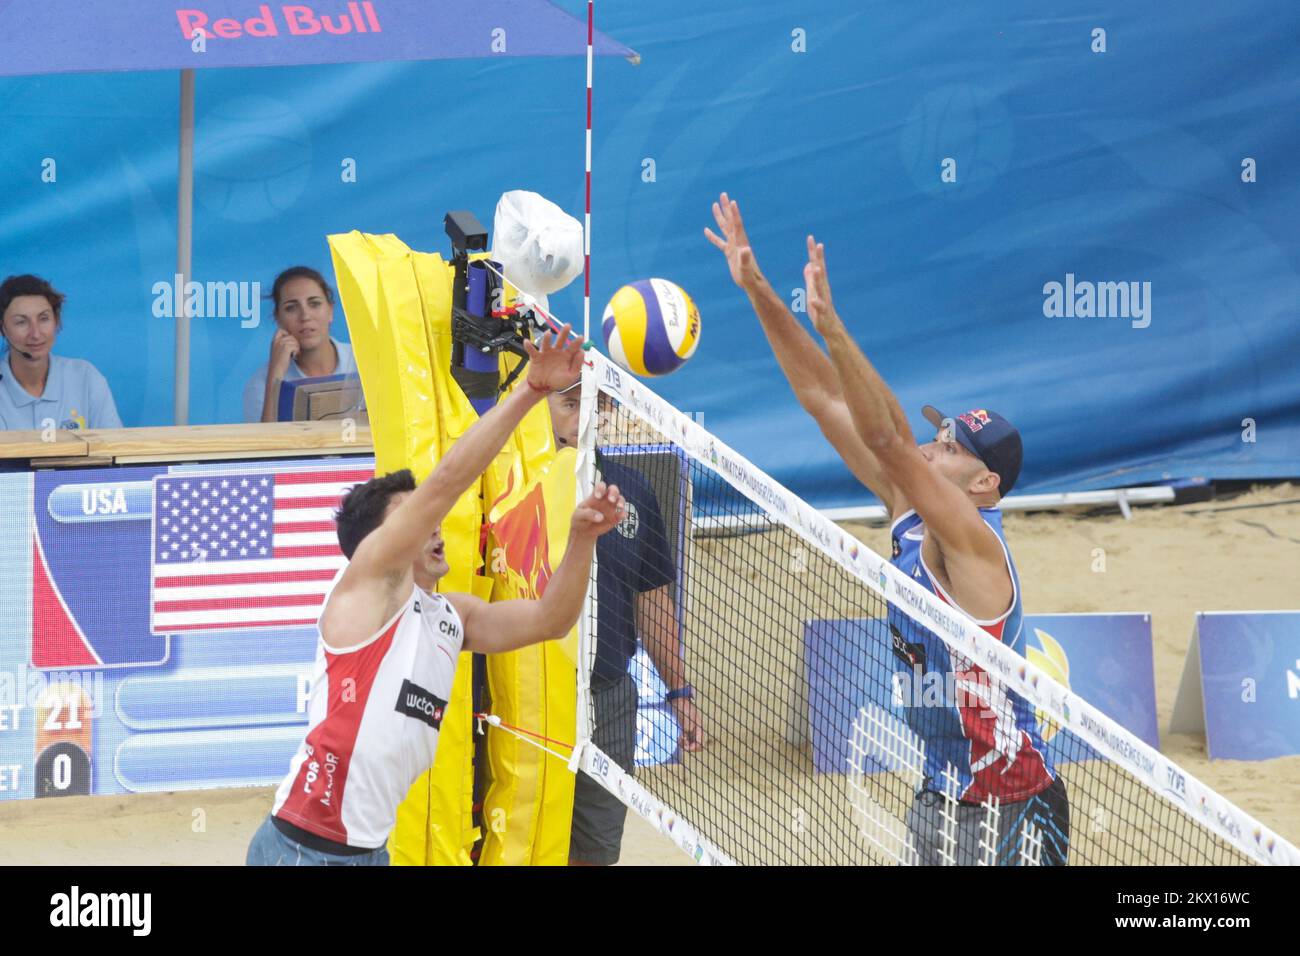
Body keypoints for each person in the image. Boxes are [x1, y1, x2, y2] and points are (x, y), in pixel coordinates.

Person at [705, 193, 1069, 866]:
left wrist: (836, 330)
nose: (932, 450)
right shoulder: (910, 515)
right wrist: (757, 289)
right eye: (935, 438)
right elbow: (825, 399)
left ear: (985, 483)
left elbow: (887, 435)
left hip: (1014, 800)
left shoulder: (972, 540)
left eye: (951, 448)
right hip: (940, 787)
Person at [246, 324, 627, 865]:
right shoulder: (367, 586)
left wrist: (584, 540)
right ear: (378, 544)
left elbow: (550, 619)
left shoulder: (450, 616)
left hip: (366, 851)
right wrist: (531, 391)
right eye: (413, 520)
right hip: (304, 848)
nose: (434, 527)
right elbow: (446, 483)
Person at [547, 379, 705, 866]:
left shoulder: (632, 490)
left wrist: (679, 692)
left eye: (594, 404)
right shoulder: (517, 479)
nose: (583, 417)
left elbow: (653, 598)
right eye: (570, 403)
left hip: (610, 698)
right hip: (535, 697)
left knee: (595, 852)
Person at [0, 274, 122, 431]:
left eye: (44, 319)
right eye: (21, 322)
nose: (36, 334)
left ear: (56, 321)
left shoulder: (86, 378)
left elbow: (111, 449)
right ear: (3, 328)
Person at [243, 266, 360, 423]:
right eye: (291, 308)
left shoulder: (364, 363)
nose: (305, 316)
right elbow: (266, 445)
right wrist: (276, 376)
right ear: (278, 318)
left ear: (330, 311)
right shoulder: (261, 383)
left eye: (314, 304)